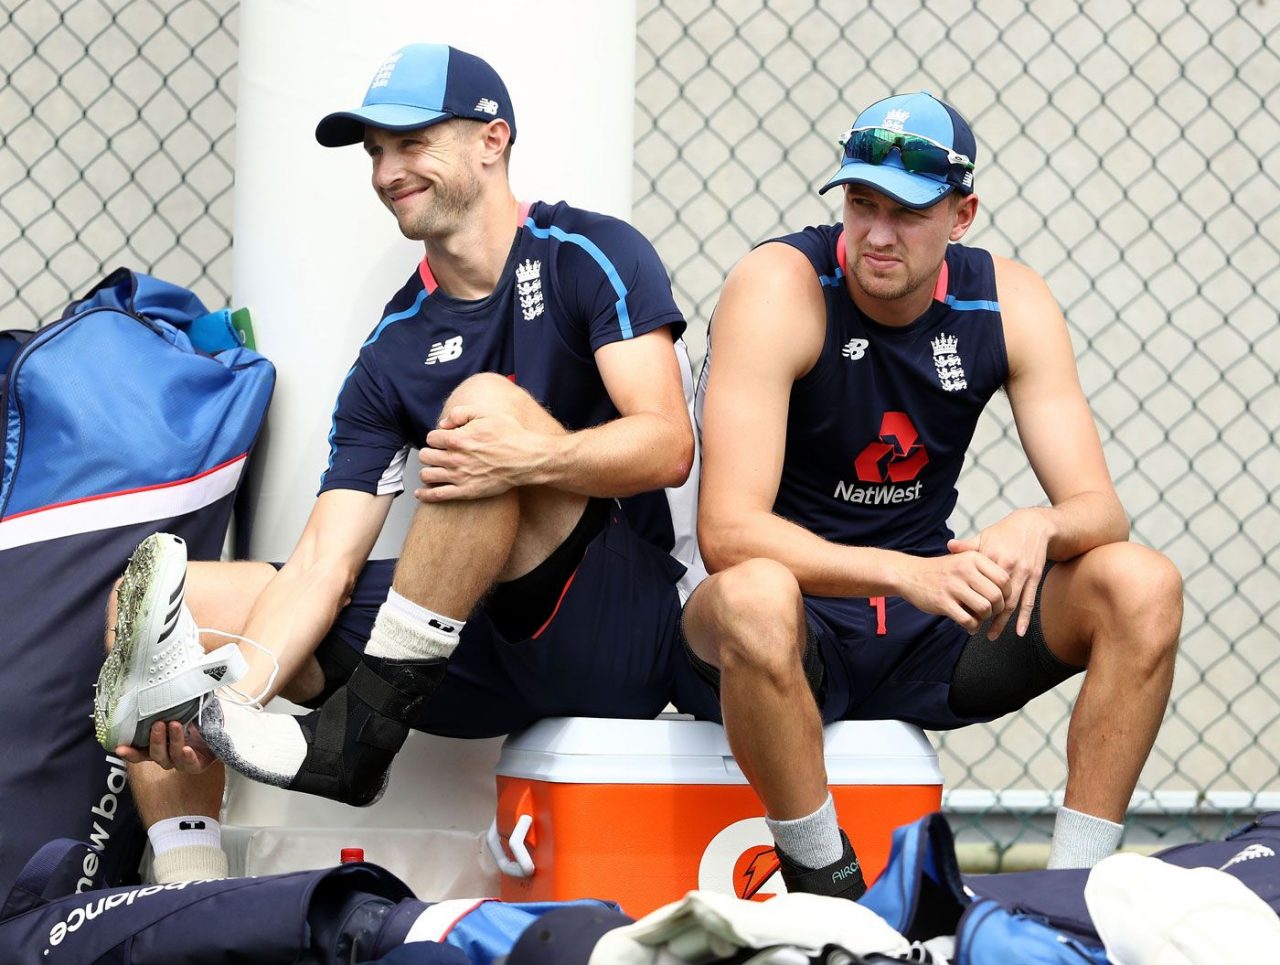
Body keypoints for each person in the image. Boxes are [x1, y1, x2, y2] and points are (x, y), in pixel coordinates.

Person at [92, 42, 702, 884]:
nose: (387, 170)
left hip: (609, 632)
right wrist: (224, 703)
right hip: (460, 645)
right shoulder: (395, 345)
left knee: (482, 412)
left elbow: (668, 445)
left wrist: (531, 455)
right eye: (375, 151)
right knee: (164, 602)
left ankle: (355, 737)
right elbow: (322, 561)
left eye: (412, 142)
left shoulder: (588, 253)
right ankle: (192, 897)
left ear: (493, 140)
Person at [672, 91, 1183, 900]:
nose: (876, 233)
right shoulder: (781, 285)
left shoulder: (1010, 299)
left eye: (907, 212)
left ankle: (1073, 898)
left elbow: (1101, 510)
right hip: (791, 627)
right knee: (755, 595)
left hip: (926, 633)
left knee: (1143, 583)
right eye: (860, 202)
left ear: (962, 214)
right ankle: (824, 883)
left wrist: (1038, 526)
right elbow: (729, 535)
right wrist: (906, 572)